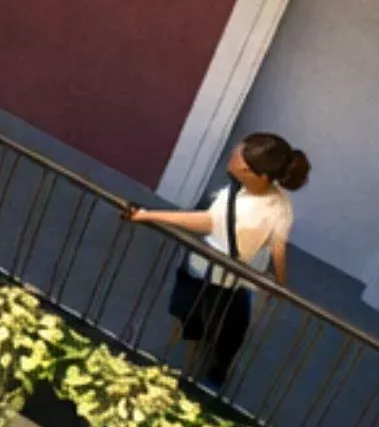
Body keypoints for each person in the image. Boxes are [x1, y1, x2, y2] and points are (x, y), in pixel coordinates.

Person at [127, 131, 307, 385]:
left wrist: (149, 215)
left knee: (207, 323)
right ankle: (198, 368)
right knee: (214, 325)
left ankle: (193, 370)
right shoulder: (265, 199)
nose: (232, 156)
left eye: (239, 157)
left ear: (256, 174)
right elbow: (277, 246)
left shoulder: (257, 204)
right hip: (223, 275)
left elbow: (207, 222)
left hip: (218, 276)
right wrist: (279, 282)